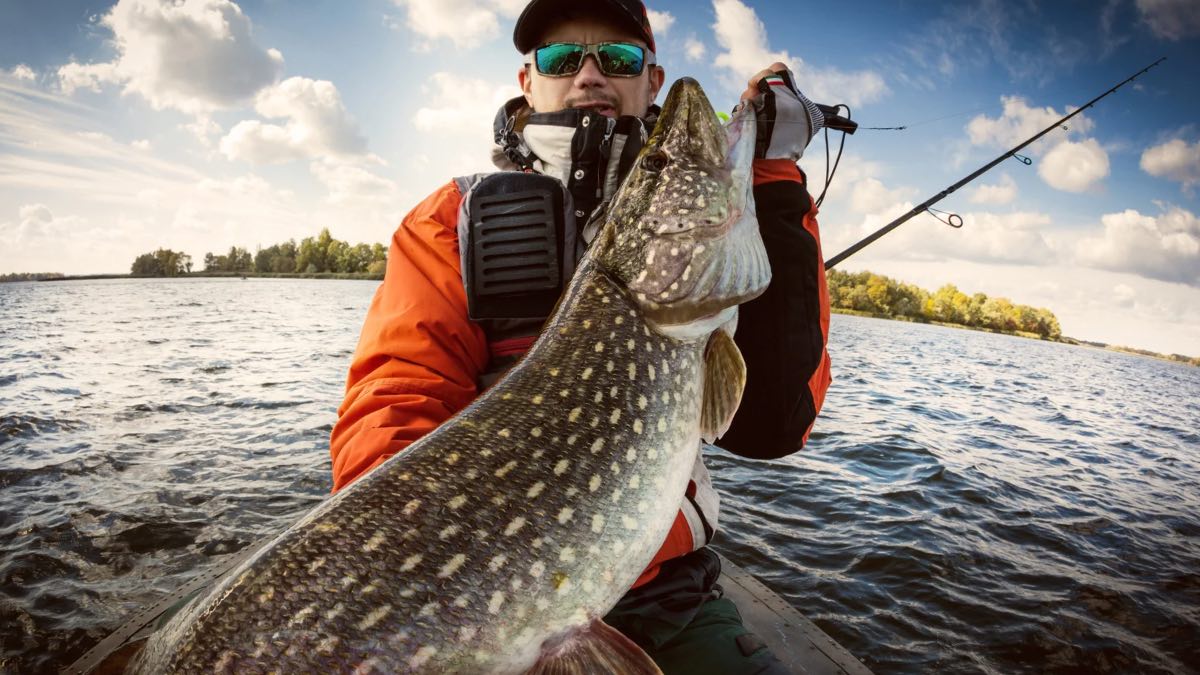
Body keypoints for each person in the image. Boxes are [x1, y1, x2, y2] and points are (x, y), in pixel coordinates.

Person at [330, 0, 832, 671]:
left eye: (619, 58)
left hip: (667, 597)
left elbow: (774, 421)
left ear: (651, 81)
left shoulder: (701, 278)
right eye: (562, 58)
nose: (590, 74)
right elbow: (393, 407)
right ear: (527, 81)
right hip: (472, 603)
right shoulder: (449, 221)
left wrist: (773, 173)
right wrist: (444, 593)